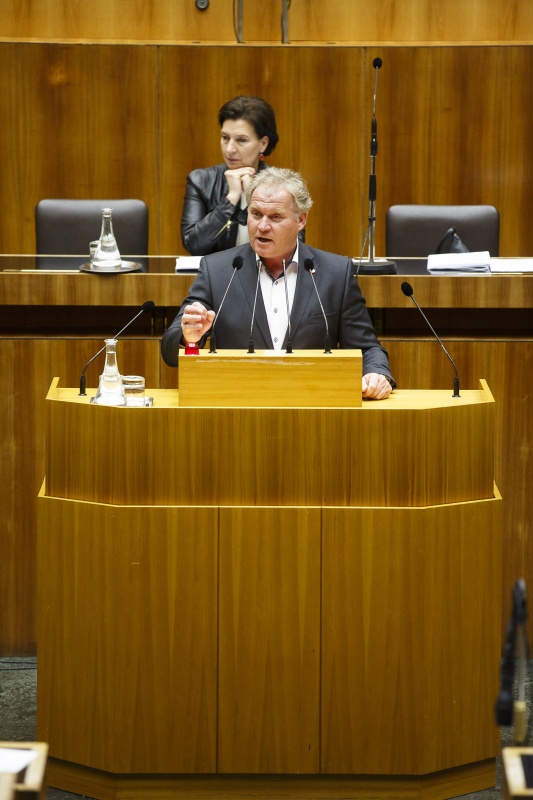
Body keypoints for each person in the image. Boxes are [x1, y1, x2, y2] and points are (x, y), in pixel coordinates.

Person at [163, 167, 395, 400]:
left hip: (311, 404)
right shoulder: (218, 270)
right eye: (256, 214)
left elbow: (367, 348)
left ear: (301, 220)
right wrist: (187, 337)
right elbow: (170, 351)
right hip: (239, 405)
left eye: (275, 217)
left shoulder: (335, 273)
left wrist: (376, 374)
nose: (263, 226)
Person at [182, 95, 304, 256]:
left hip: (265, 270)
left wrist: (252, 197)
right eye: (225, 138)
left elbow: (296, 244)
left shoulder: (285, 186)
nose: (229, 149)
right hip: (217, 271)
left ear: (263, 144)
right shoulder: (201, 180)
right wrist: (230, 200)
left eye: (241, 140)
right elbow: (193, 244)